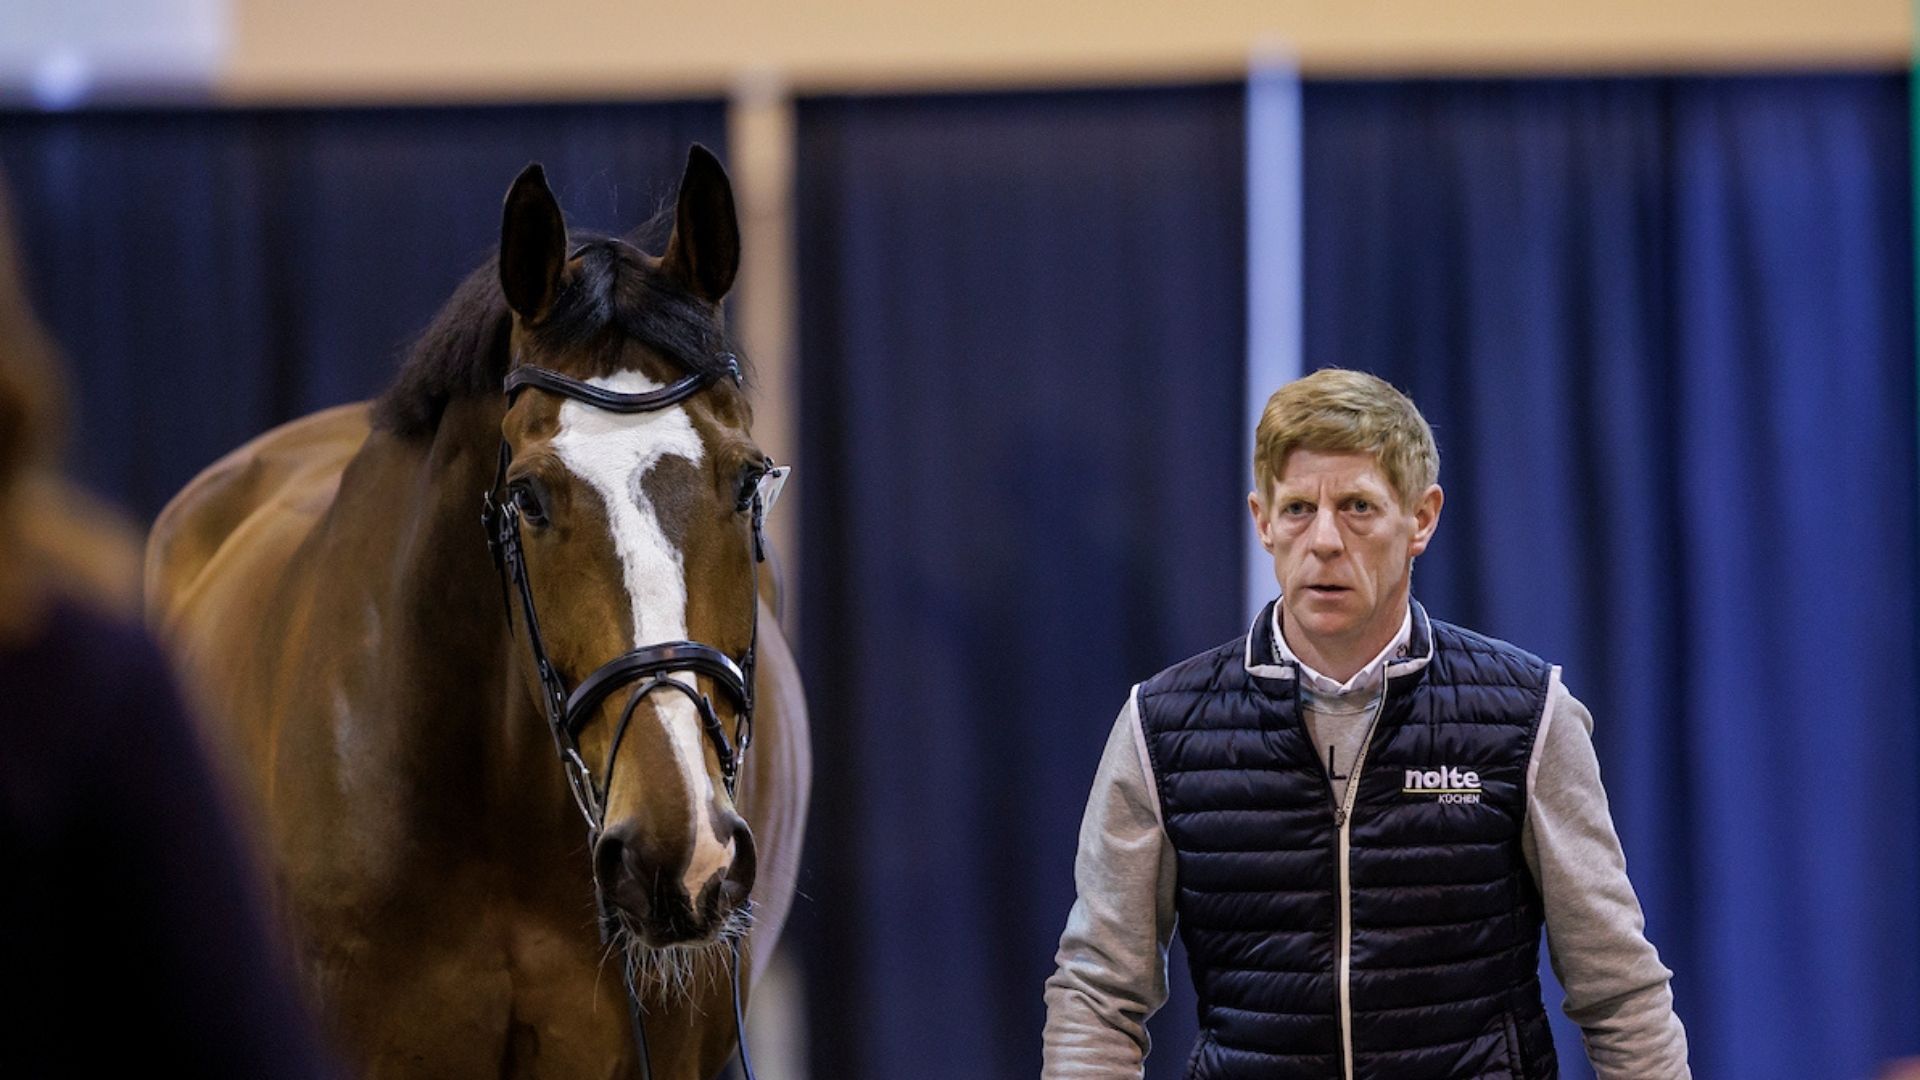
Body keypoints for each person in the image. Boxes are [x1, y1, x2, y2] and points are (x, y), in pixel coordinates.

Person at [1042, 369, 1688, 1078]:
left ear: (1421, 518)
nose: (1323, 540)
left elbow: (1620, 991)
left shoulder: (1525, 715)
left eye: (1356, 506)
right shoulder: (1162, 727)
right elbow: (1099, 994)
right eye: (1297, 510)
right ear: (1262, 521)